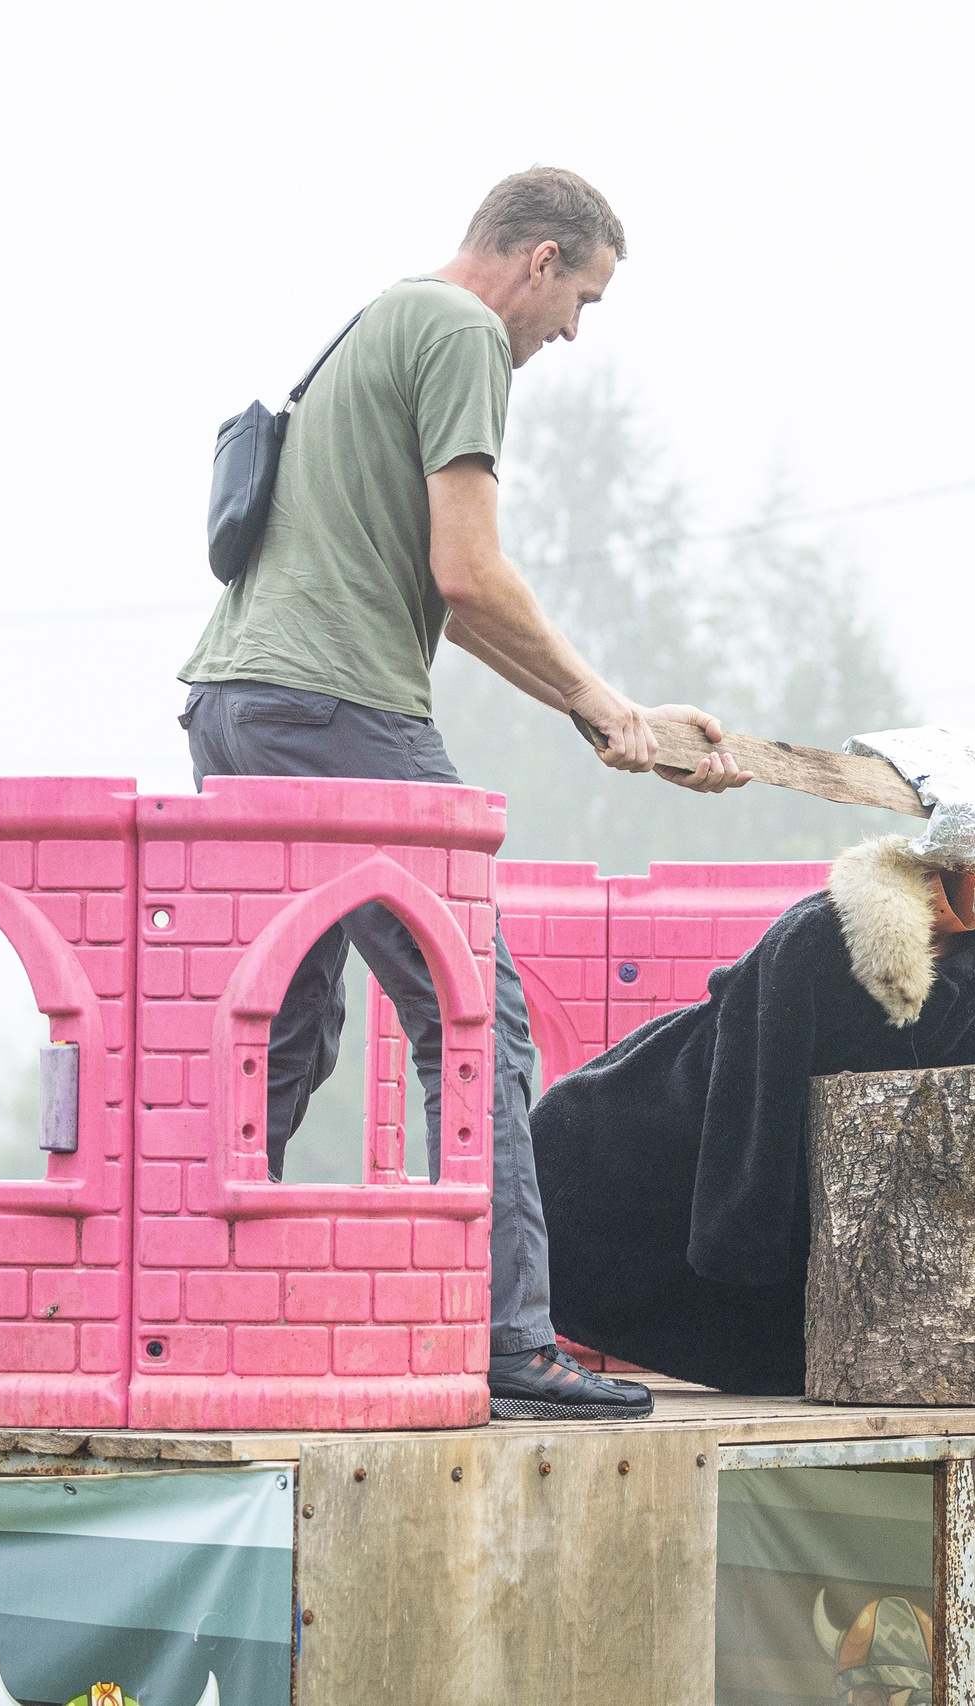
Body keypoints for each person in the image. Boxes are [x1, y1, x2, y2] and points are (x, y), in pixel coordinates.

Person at [176, 167, 750, 1422]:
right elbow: (472, 571)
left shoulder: (385, 318)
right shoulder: (463, 334)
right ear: (539, 260)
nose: (573, 332)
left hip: (239, 704)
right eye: (582, 298)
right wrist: (604, 704)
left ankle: (190, 1304)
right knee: (473, 1012)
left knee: (287, 1024)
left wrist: (616, 715)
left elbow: (456, 600)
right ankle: (509, 1335)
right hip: (337, 711)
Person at [534, 840, 975, 1393]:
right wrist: (742, 1247)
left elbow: (967, 1119)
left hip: (807, 1183)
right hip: (658, 1137)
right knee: (588, 1244)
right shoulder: (818, 937)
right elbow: (753, 1078)